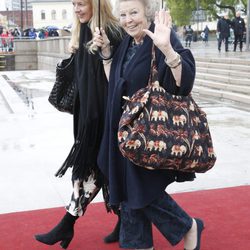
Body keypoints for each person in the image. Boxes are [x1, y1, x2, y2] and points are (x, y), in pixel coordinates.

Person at [94, 0, 204, 249]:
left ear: (148, 13)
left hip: (148, 132)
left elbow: (183, 83)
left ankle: (188, 226)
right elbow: (117, 83)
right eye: (123, 14)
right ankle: (139, 244)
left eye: (134, 12)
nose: (128, 20)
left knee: (140, 189)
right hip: (124, 130)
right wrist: (107, 54)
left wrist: (168, 50)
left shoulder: (161, 37)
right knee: (128, 191)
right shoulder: (127, 43)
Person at [34, 0, 124, 249]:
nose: (76, 9)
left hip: (105, 119)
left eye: (81, 4)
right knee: (104, 173)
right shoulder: (82, 32)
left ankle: (67, 224)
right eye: (74, 4)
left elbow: (114, 79)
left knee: (88, 173)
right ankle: (124, 220)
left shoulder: (110, 33)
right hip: (87, 117)